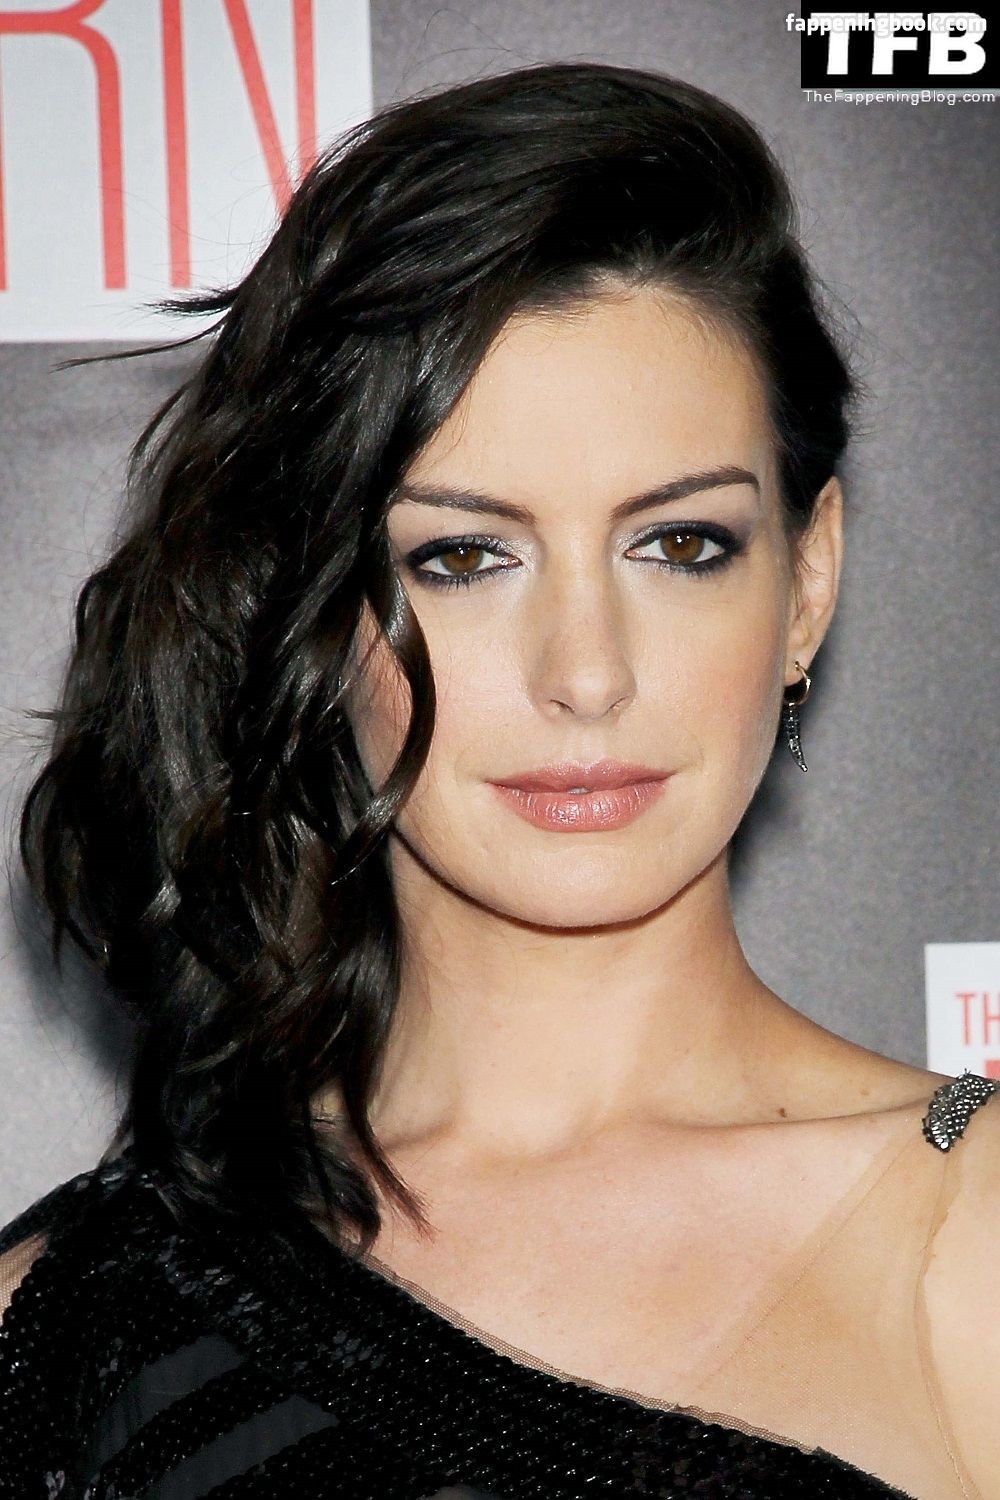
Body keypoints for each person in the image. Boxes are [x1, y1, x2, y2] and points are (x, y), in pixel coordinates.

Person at [0, 59, 996, 1500]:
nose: (585, 672)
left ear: (807, 581)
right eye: (463, 556)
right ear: (317, 611)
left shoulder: (972, 1225)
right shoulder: (79, 1324)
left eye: (681, 545)